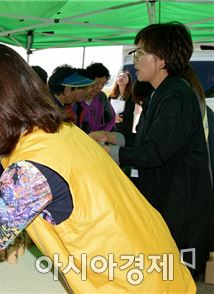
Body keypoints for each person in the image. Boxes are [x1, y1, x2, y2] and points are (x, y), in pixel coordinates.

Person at [0, 43, 195, 292]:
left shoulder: (32, 163)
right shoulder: (54, 133)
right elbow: (7, 205)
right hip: (151, 265)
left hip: (128, 282)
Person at [89, 22, 213, 278]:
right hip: (167, 198)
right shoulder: (161, 93)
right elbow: (146, 139)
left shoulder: (176, 96)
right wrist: (111, 137)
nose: (134, 60)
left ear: (162, 59)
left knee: (176, 277)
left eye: (140, 52)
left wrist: (107, 152)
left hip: (181, 206)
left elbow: (155, 153)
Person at [76, 62, 115, 133]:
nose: (99, 88)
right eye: (96, 83)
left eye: (103, 84)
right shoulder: (77, 98)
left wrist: (102, 133)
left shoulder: (102, 97)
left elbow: (111, 118)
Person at [109, 71, 135, 137]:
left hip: (124, 126)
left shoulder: (131, 96)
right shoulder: (111, 95)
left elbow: (130, 110)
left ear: (129, 80)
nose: (121, 78)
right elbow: (106, 108)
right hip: (111, 125)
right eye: (119, 76)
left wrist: (120, 116)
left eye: (124, 77)